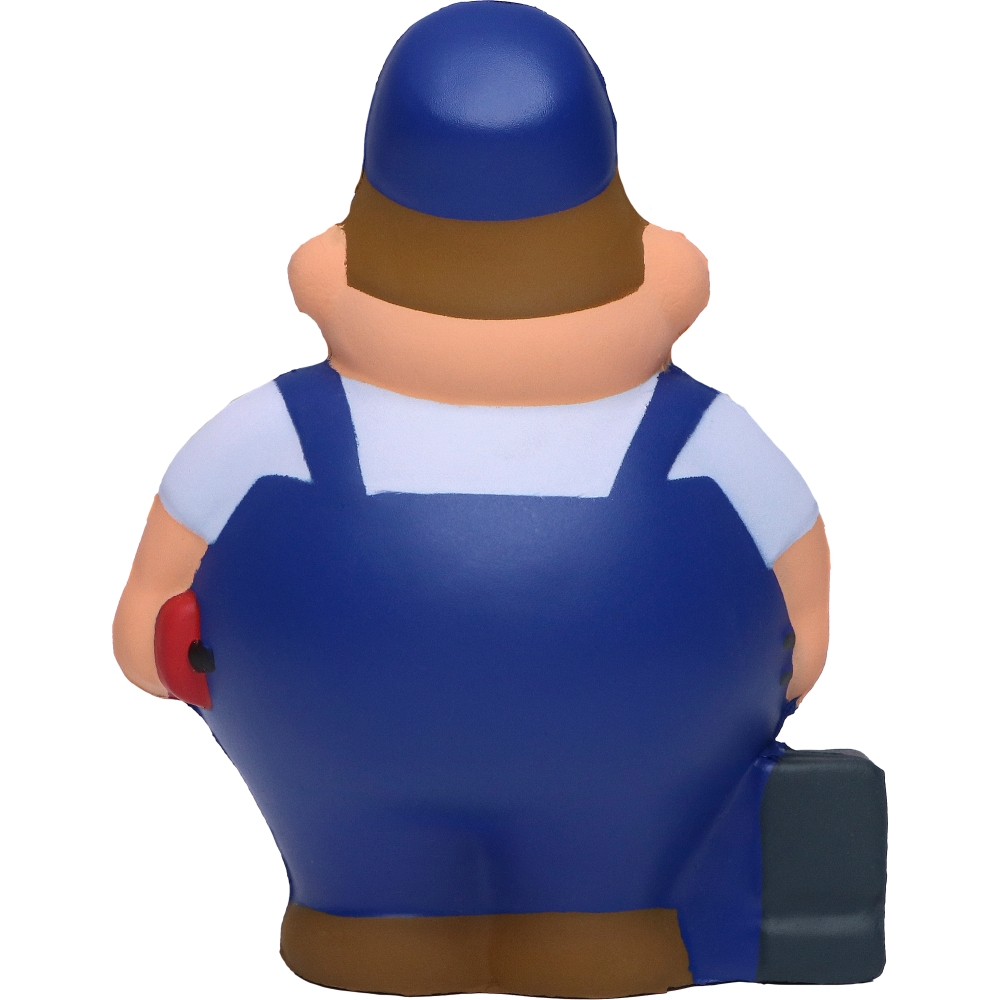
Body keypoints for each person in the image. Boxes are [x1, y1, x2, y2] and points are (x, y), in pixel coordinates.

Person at [114, 3, 831, 993]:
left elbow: (153, 605)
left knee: (386, 904)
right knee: (599, 896)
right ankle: (597, 924)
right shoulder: (707, 437)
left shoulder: (269, 432)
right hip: (630, 771)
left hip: (346, 769)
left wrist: (155, 638)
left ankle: (376, 920)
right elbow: (801, 592)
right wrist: (790, 658)